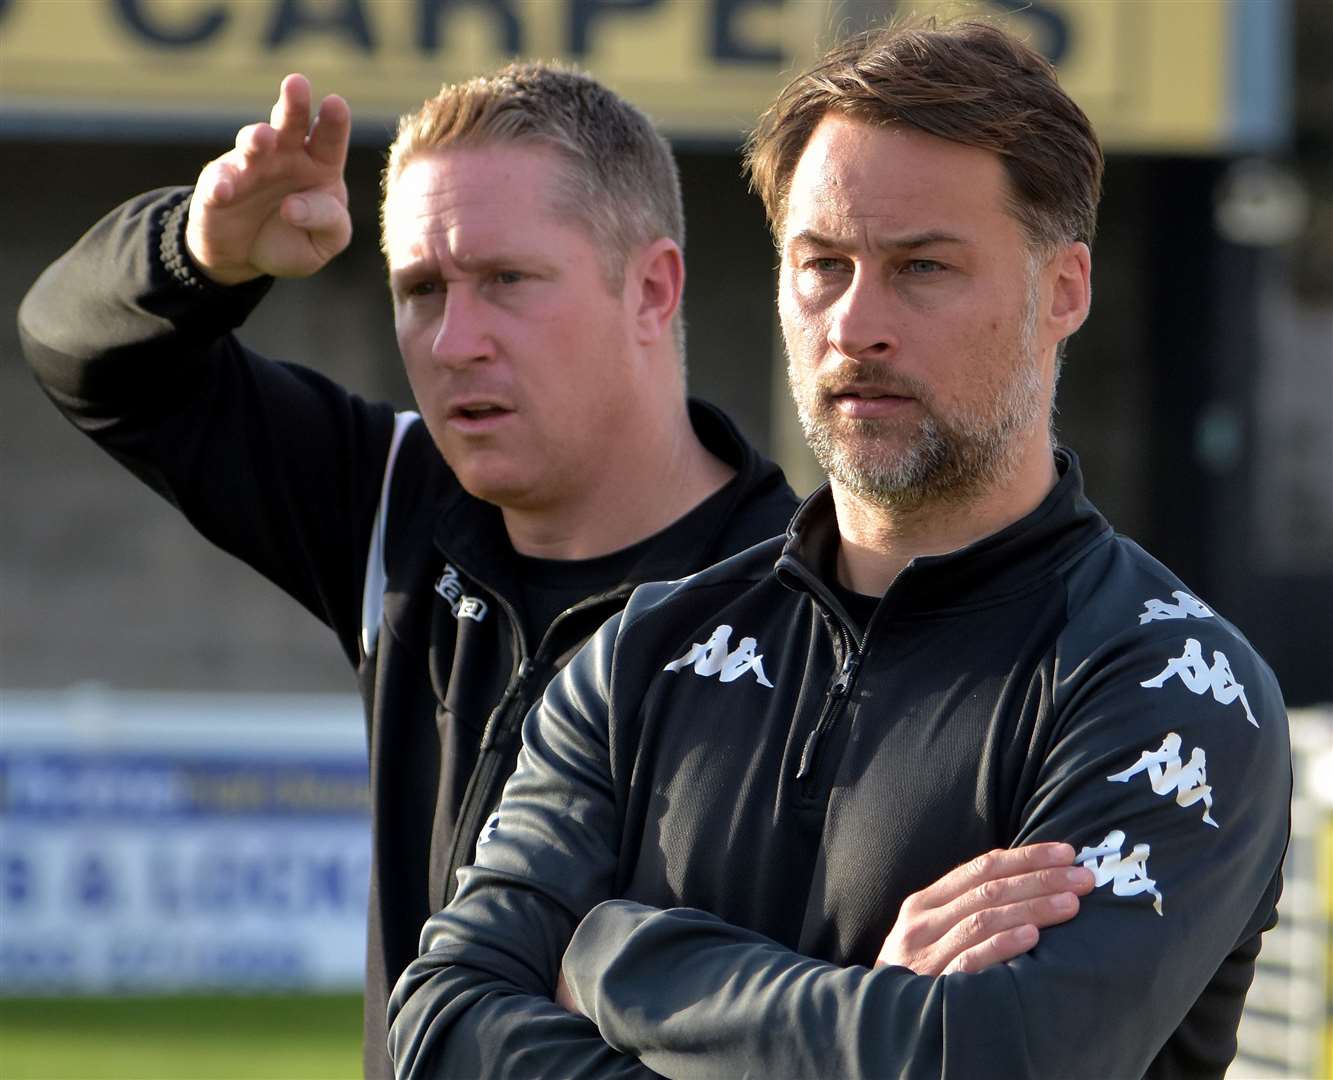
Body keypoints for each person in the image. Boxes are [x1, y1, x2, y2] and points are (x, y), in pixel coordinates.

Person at [387, 20, 1292, 1079]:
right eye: (822, 265)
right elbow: (440, 1025)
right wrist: (857, 1018)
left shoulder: (1165, 684)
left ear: (1064, 292)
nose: (856, 323)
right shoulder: (638, 658)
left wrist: (614, 955)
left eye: (921, 267)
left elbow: (994, 1060)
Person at [18, 64, 808, 1078]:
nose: (452, 340)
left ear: (650, 289)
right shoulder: (393, 496)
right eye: (420, 289)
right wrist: (198, 253)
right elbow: (79, 349)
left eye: (506, 282)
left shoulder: (810, 601)